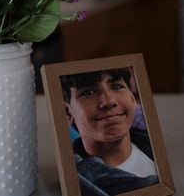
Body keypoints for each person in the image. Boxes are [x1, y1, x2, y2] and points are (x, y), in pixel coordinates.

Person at [62, 68, 158, 196]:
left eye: (117, 86)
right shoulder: (77, 181)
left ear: (132, 98)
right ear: (68, 112)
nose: (109, 101)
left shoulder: (152, 144)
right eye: (88, 92)